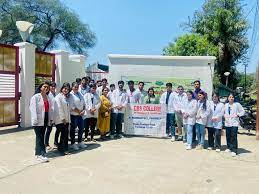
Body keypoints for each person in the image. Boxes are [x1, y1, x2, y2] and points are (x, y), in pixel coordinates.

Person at [30, 81, 53, 162]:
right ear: (40, 88)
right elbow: (33, 109)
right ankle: (40, 154)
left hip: (45, 118)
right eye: (44, 87)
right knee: (39, 137)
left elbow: (49, 110)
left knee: (41, 136)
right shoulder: (35, 97)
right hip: (38, 120)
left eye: (47, 87)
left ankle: (38, 151)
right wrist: (35, 120)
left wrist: (50, 119)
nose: (46, 88)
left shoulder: (48, 97)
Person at [53, 83, 71, 155]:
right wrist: (63, 118)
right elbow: (59, 108)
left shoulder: (65, 97)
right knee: (64, 135)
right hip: (61, 120)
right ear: (61, 89)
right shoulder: (58, 97)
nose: (66, 90)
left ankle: (61, 149)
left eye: (67, 89)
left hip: (66, 120)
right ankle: (64, 150)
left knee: (64, 135)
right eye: (64, 88)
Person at [70, 82, 87, 151]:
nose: (76, 88)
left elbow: (84, 102)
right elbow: (72, 106)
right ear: (72, 87)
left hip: (80, 115)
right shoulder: (70, 95)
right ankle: (73, 143)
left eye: (77, 87)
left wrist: (83, 110)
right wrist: (79, 112)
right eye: (75, 87)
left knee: (81, 128)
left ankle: (80, 142)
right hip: (74, 115)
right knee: (73, 130)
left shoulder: (79, 93)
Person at [44, 81, 57, 150]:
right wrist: (51, 118)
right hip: (50, 115)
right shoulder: (48, 95)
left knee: (54, 129)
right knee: (49, 130)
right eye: (52, 86)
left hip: (55, 115)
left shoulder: (55, 94)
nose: (53, 87)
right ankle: (46, 144)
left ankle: (55, 143)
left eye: (54, 86)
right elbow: (49, 107)